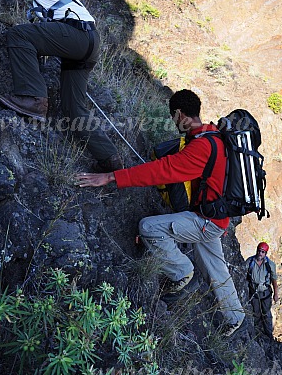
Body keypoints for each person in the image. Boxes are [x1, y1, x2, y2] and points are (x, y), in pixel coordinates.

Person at [76, 89, 246, 336]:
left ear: (179, 114)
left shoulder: (201, 147)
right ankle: (235, 316)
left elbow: (164, 170)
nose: (173, 121)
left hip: (206, 221)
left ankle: (181, 271)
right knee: (215, 267)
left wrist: (111, 177)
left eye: (173, 116)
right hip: (216, 218)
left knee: (149, 227)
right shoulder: (213, 135)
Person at [0, 0, 122, 172]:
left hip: (77, 35)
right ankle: (110, 159)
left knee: (19, 35)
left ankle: (34, 99)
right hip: (90, 40)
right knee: (73, 108)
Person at [246, 242, 278, 338]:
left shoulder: (270, 265)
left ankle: (269, 335)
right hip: (254, 293)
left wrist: (276, 294)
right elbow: (243, 273)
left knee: (266, 314)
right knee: (256, 314)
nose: (260, 253)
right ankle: (257, 333)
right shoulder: (250, 262)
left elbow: (274, 280)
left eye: (262, 252)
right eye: (259, 251)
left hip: (265, 294)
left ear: (265, 253)